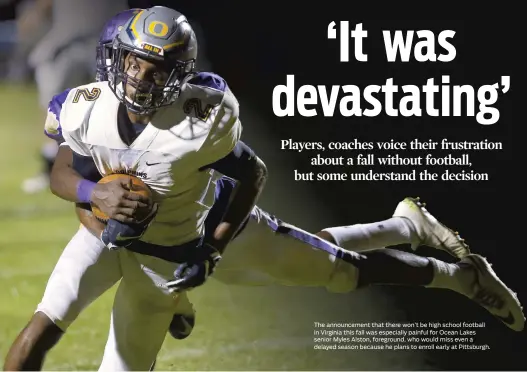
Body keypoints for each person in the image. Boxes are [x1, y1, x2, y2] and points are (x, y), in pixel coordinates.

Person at [4, 6, 523, 372]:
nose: (140, 77)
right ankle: (405, 223)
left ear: (179, 73)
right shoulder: (84, 106)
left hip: (206, 234)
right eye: (135, 62)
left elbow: (250, 174)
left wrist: (212, 248)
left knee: (337, 271)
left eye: (156, 67)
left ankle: (457, 277)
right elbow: (67, 174)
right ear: (115, 58)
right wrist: (93, 199)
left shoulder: (199, 118)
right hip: (139, 248)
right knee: (45, 325)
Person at [20, 0, 129, 194]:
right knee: (56, 107)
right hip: (69, 40)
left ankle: (122, 167)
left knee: (116, 103)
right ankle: (51, 166)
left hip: (108, 39)